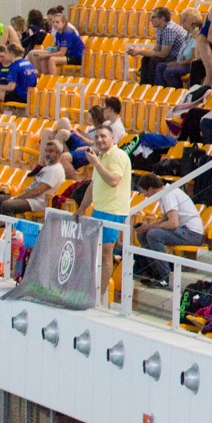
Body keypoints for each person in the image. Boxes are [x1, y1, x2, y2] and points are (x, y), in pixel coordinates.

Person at [78, 124, 131, 304]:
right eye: (97, 137)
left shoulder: (117, 156)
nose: (99, 140)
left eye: (103, 136)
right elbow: (93, 186)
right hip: (99, 209)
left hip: (112, 210)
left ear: (113, 138)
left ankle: (99, 296)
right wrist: (81, 208)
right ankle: (91, 289)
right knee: (94, 250)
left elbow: (114, 180)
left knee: (106, 252)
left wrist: (97, 163)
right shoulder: (100, 157)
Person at [132, 173, 204, 286]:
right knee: (143, 234)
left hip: (192, 233)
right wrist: (148, 226)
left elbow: (173, 223)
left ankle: (166, 276)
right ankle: (156, 272)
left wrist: (150, 227)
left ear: (150, 189)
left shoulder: (168, 194)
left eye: (144, 192)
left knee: (153, 234)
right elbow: (167, 220)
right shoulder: (164, 195)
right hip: (183, 230)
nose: (145, 196)